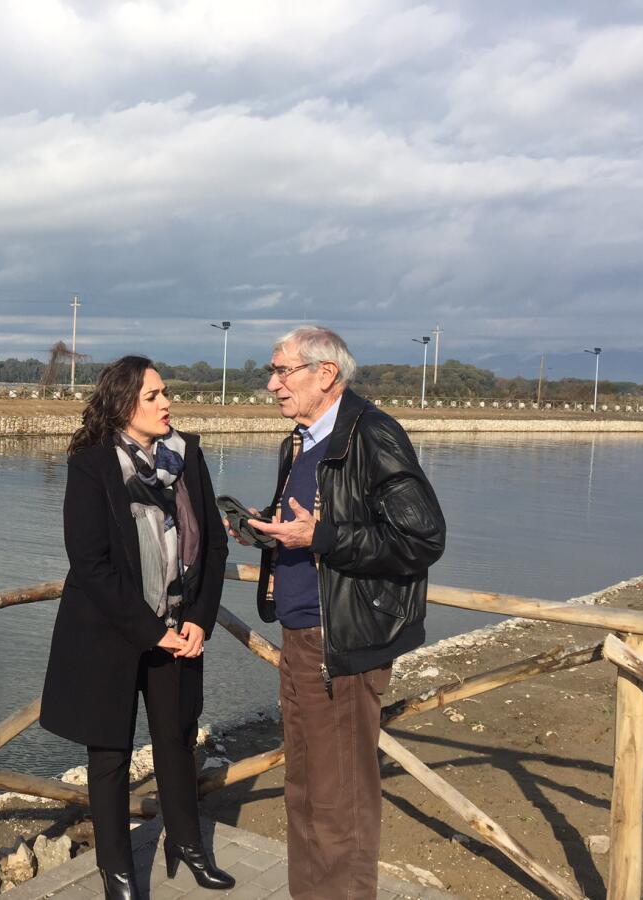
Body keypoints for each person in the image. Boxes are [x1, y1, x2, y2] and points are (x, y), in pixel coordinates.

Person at [233, 326, 445, 900]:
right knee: (303, 788)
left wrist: (321, 536)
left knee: (340, 800)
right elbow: (317, 523)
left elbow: (422, 537)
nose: (272, 384)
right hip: (300, 636)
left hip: (343, 642)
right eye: (272, 372)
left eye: (283, 371)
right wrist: (269, 530)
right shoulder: (301, 440)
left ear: (325, 374)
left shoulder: (371, 434)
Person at [41, 355, 235, 900]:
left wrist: (198, 620)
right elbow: (90, 563)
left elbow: (213, 546)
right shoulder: (92, 465)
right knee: (110, 756)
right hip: (112, 633)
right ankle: (119, 872)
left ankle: (188, 846)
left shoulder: (187, 455)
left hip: (179, 627)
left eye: (165, 392)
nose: (166, 403)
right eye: (153, 396)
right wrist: (150, 631)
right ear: (125, 404)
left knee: (176, 741)